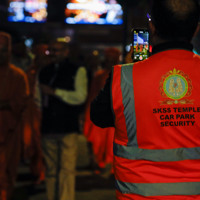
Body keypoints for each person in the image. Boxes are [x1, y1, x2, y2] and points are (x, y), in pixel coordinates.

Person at [90, 0, 200, 199]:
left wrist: (129, 68)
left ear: (152, 27)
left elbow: (99, 117)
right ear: (196, 28)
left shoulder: (124, 78)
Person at [39, 39, 88, 200]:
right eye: (51, 50)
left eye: (57, 50)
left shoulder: (77, 70)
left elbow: (80, 97)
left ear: (66, 52)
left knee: (66, 169)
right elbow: (37, 100)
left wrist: (55, 92)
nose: (53, 54)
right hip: (49, 127)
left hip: (67, 126)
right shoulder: (45, 71)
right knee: (52, 169)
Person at [0, 32, 29, 200]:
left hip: (10, 131)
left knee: (7, 169)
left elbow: (22, 101)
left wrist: (4, 105)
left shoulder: (18, 75)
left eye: (3, 50)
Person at [83, 47, 121, 177]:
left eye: (112, 59)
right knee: (100, 143)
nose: (110, 61)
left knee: (112, 143)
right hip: (104, 115)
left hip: (115, 116)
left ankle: (111, 166)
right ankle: (102, 164)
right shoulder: (99, 75)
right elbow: (93, 95)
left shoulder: (121, 74)